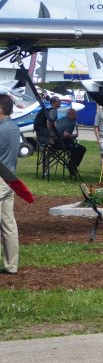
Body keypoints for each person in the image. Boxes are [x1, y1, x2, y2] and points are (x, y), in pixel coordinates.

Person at [0, 94, 21, 274]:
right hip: (10, 178)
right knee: (8, 223)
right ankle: (11, 265)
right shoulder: (14, 127)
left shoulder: (1, 129)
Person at [55, 108, 86, 178]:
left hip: (56, 141)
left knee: (77, 147)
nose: (76, 116)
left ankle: (72, 165)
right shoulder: (69, 122)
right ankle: (72, 166)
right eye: (75, 114)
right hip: (62, 143)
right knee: (81, 149)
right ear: (71, 114)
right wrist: (72, 135)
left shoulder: (62, 119)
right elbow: (64, 134)